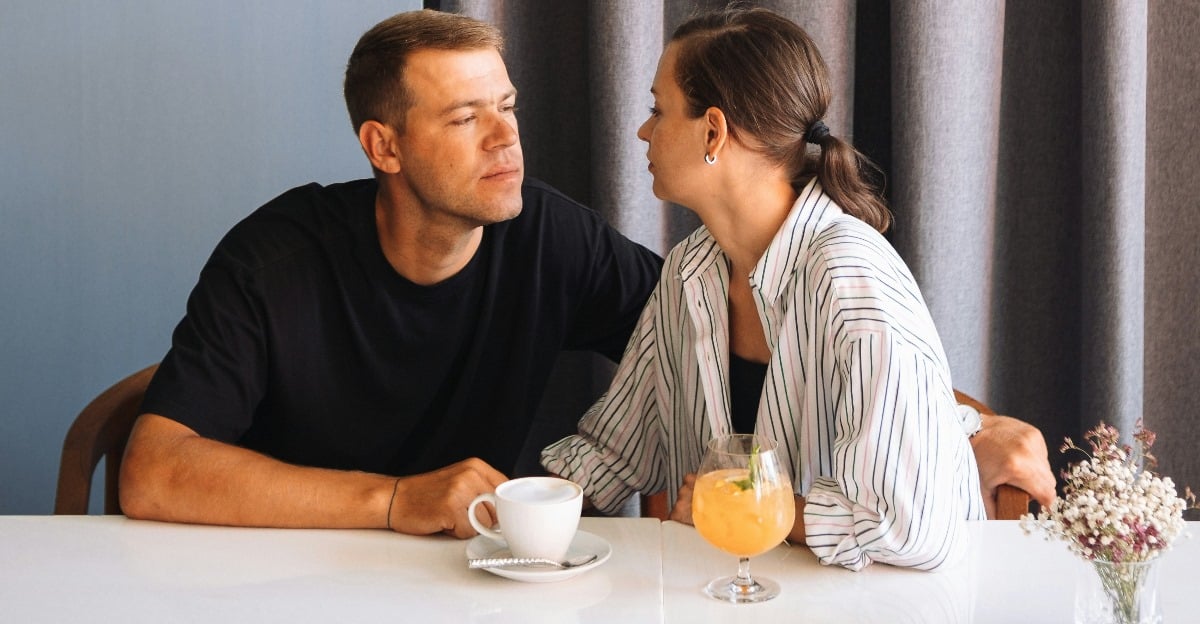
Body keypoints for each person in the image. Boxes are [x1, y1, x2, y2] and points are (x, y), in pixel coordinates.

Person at [120, 8, 1051, 538]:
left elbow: (815, 354)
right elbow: (152, 474)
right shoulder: (277, 256)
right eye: (463, 119)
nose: (508, 137)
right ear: (384, 144)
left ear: (715, 133)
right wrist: (400, 502)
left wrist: (959, 423)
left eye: (510, 106)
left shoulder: (561, 241)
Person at [541, 7, 1014, 571]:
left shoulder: (850, 276)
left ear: (713, 130)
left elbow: (908, 525)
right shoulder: (690, 271)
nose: (644, 130)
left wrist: (757, 506)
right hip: (742, 596)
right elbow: (615, 450)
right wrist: (507, 510)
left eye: (657, 109)